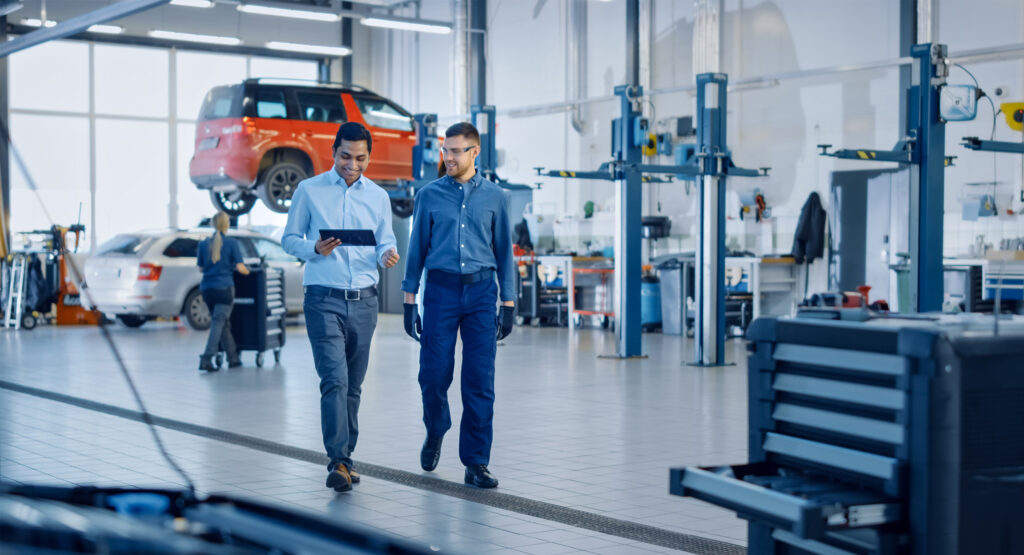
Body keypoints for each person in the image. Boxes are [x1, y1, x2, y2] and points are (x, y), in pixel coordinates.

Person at [282, 121, 400, 493]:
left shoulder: (378, 197)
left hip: (364, 301)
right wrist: (313, 248)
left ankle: (346, 458)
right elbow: (289, 238)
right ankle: (337, 461)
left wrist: (387, 254)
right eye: (346, 156)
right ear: (334, 152)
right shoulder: (309, 190)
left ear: (369, 157)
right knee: (334, 380)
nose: (352, 165)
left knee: (353, 386)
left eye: (360, 158)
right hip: (323, 299)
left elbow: (385, 241)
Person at [401, 122, 515, 489]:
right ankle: (436, 428)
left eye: (455, 151)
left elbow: (505, 252)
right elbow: (416, 250)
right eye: (445, 150)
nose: (447, 157)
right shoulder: (429, 195)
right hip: (440, 291)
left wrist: (508, 302)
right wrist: (409, 300)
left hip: (481, 292)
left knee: (479, 379)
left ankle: (476, 462)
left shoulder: (496, 197)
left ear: (474, 152)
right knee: (433, 374)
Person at [196, 211, 250, 371]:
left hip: (207, 290)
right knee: (218, 322)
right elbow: (240, 268)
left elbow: (200, 268)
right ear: (227, 225)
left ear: (213, 224)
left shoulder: (203, 244)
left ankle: (233, 358)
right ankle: (206, 358)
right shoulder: (232, 243)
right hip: (224, 289)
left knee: (222, 322)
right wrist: (249, 271)